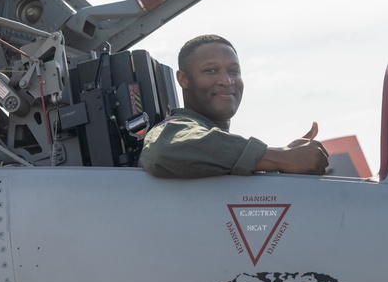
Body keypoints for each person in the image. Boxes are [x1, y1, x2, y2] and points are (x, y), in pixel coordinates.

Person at [139, 35, 329, 178]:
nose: (226, 81)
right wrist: (280, 157)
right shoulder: (174, 128)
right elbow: (167, 148)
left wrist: (282, 160)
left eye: (233, 71)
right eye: (211, 71)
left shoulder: (224, 151)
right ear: (184, 79)